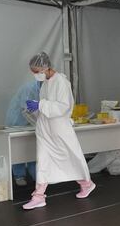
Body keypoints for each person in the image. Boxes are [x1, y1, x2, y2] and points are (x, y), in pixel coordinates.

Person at [22, 52, 96, 210]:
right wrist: (34, 108)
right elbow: (46, 106)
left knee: (70, 157)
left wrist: (40, 105)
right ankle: (39, 196)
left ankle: (86, 184)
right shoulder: (46, 83)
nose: (35, 74)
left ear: (45, 67)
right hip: (45, 130)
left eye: (36, 71)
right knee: (43, 160)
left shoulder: (61, 82)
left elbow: (64, 106)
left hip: (60, 129)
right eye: (33, 71)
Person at [5, 81, 40, 186]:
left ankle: (35, 174)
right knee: (17, 148)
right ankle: (19, 175)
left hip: (30, 123)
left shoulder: (45, 88)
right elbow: (26, 109)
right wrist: (38, 123)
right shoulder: (29, 88)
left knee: (31, 147)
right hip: (17, 121)